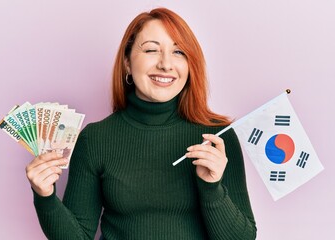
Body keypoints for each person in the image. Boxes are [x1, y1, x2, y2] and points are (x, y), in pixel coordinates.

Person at [26, 7, 257, 240]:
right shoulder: (95, 138)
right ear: (127, 62)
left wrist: (211, 188)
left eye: (178, 52)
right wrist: (44, 197)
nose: (166, 64)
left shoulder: (217, 136)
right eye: (151, 50)